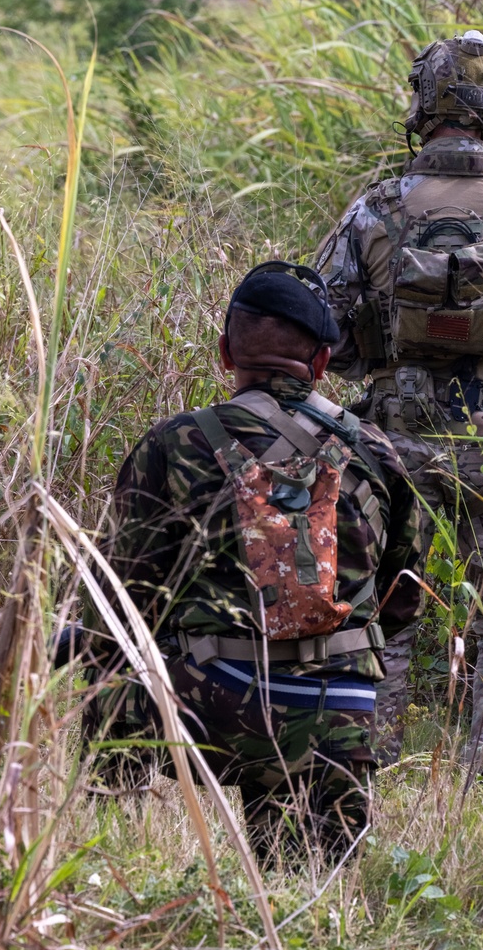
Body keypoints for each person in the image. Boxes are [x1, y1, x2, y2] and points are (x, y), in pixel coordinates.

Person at [317, 29, 483, 773]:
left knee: (385, 586)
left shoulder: (371, 209)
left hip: (390, 440)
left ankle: (374, 739)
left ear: (421, 104)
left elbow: (328, 341)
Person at [90, 262, 425, 858]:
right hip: (337, 720)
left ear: (225, 353)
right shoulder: (375, 452)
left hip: (214, 710)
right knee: (314, 885)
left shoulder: (174, 443)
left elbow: (117, 600)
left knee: (106, 661)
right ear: (322, 362)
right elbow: (403, 600)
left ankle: (115, 846)